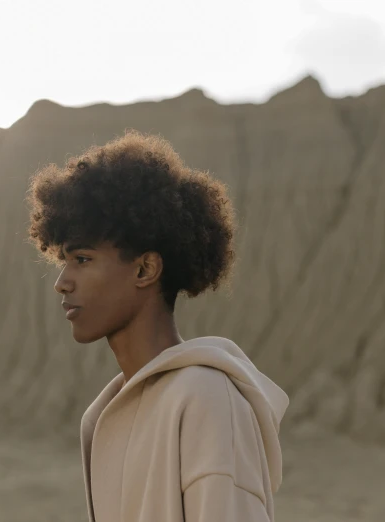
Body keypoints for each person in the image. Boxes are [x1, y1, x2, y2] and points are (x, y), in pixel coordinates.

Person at [25, 130, 289, 522]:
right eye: (63, 261)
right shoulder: (104, 416)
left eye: (82, 259)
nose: (61, 281)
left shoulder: (207, 400)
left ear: (146, 268)